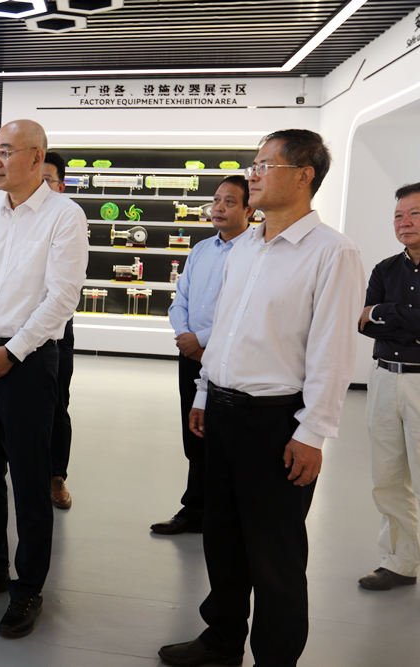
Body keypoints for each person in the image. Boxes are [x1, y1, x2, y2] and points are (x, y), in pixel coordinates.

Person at [158, 129, 366, 667]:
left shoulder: (333, 252)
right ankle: (221, 639)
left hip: (277, 423)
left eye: (265, 165)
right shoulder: (245, 246)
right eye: (253, 164)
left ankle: (275, 658)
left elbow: (333, 351)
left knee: (275, 555)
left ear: (304, 176)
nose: (253, 174)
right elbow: (226, 328)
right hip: (223, 412)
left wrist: (313, 432)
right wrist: (203, 391)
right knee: (222, 539)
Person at [0, 120, 89, 639]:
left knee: (30, 479)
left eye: (6, 150)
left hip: (27, 362)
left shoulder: (64, 216)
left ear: (36, 157)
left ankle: (27, 585)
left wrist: (13, 351)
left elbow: (61, 298)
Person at [152, 176, 254, 535]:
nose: (219, 208)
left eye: (230, 202)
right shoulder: (200, 249)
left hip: (228, 357)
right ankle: (195, 510)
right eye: (216, 200)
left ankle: (223, 515)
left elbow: (245, 310)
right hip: (191, 355)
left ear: (249, 210)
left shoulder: (255, 252)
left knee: (225, 439)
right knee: (194, 431)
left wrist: (201, 339)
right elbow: (180, 299)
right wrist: (186, 337)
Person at [357, 182, 420, 592]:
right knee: (387, 477)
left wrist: (386, 313)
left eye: (414, 214)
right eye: (398, 215)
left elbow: (375, 316)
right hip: (383, 378)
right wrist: (406, 317)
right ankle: (400, 562)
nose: (404, 222)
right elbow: (362, 322)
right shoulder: (384, 269)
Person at [41, 151, 76, 510]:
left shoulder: (67, 219)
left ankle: (55, 476)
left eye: (47, 180)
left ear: (61, 186)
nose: (39, 187)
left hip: (55, 331)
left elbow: (62, 293)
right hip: (10, 330)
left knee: (56, 404)